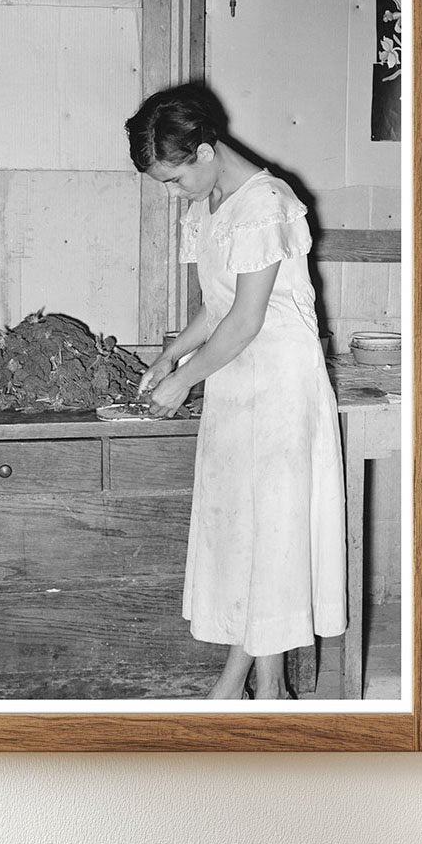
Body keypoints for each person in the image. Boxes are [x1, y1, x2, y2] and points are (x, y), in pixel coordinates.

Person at [125, 84, 346, 700]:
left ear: (202, 151)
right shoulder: (213, 203)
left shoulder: (267, 203)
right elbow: (217, 306)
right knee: (245, 536)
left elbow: (248, 321)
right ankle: (269, 689)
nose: (173, 195)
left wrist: (183, 381)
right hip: (233, 379)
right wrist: (171, 353)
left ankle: (235, 685)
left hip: (279, 386)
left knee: (271, 535)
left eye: (173, 180)